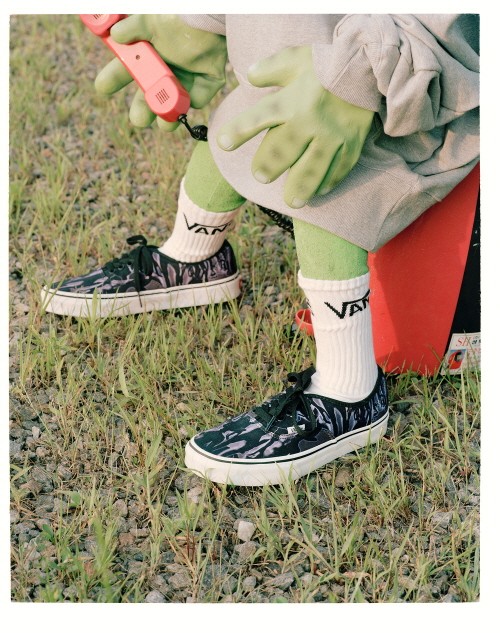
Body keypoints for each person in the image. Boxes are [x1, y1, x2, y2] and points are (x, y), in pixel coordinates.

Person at [41, 14, 479, 486]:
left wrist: (360, 73)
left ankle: (350, 390)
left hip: (401, 96)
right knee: (240, 129)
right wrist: (202, 22)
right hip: (307, 76)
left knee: (319, 173)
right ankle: (194, 258)